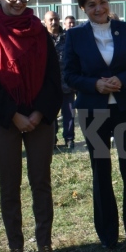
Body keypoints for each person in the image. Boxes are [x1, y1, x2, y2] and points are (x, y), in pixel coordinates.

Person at [0, 0, 62, 252]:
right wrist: (14, 116)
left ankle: (45, 242)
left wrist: (38, 113)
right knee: (9, 184)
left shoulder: (40, 32)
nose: (18, 2)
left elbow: (53, 78)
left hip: (40, 119)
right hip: (5, 121)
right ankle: (15, 246)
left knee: (41, 181)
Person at [64, 0, 126, 249]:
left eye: (102, 2)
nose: (99, 8)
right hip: (93, 112)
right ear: (82, 8)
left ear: (108, 1)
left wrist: (122, 79)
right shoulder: (74, 36)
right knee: (101, 170)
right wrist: (95, 84)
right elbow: (69, 74)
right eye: (91, 4)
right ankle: (108, 235)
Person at [44, 10, 75, 149]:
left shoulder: (68, 37)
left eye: (55, 19)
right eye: (50, 19)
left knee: (68, 113)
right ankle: (52, 139)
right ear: (45, 22)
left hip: (67, 82)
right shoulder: (41, 38)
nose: (53, 22)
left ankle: (69, 139)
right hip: (49, 84)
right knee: (51, 113)